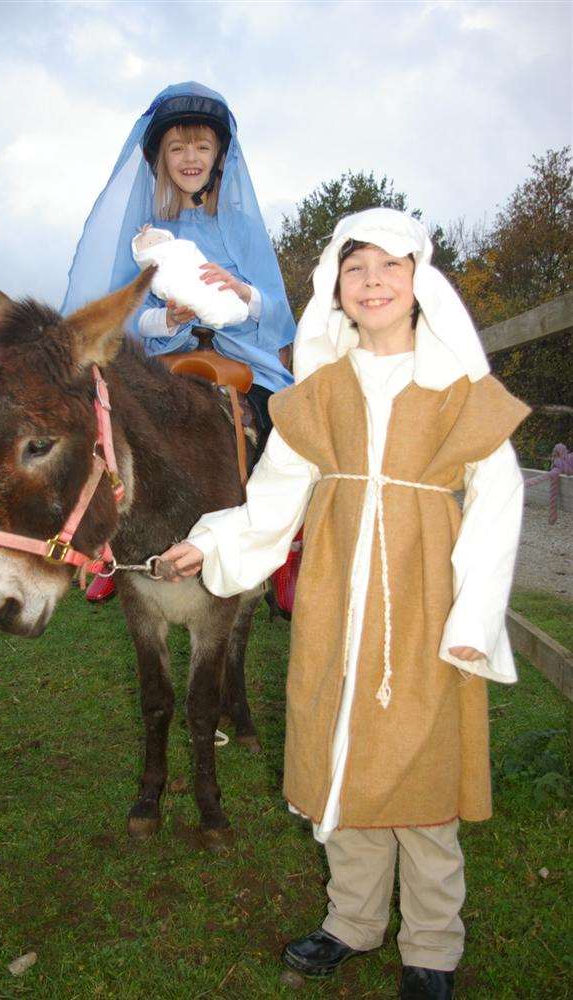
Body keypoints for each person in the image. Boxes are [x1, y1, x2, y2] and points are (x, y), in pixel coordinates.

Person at [159, 208, 530, 999]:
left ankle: (431, 945)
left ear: (417, 283)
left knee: (424, 780)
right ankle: (354, 920)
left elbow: (498, 502)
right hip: (336, 599)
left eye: (389, 266)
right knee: (343, 762)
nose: (372, 282)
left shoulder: (461, 390)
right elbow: (275, 496)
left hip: (426, 601)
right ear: (336, 286)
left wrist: (473, 620)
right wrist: (214, 545)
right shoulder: (321, 393)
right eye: (355, 268)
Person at [62, 81, 295, 600]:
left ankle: (286, 546)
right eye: (178, 147)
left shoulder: (243, 227)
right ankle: (107, 541)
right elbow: (128, 313)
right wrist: (166, 319)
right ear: (161, 157)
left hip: (246, 356)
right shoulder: (146, 233)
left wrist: (243, 294)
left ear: (218, 157)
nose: (190, 157)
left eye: (202, 146)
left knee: (289, 423)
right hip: (170, 356)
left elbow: (279, 312)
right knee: (105, 421)